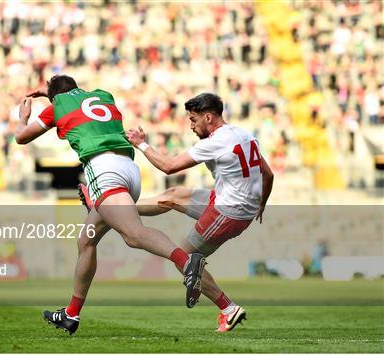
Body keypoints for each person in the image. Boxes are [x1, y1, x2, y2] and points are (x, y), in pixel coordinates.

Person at [15, 74, 205, 335]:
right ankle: (71, 315)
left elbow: (21, 138)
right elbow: (77, 102)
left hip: (103, 169)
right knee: (86, 241)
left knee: (134, 235)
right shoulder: (104, 95)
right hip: (129, 168)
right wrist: (54, 94)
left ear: (53, 96)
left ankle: (186, 262)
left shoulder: (56, 106)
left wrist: (24, 116)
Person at [78, 92, 274, 331]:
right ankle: (108, 206)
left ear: (209, 117)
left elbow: (168, 166)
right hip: (228, 201)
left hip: (228, 211)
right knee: (172, 196)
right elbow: (268, 173)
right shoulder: (244, 135)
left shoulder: (214, 142)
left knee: (183, 257)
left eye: (193, 120)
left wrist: (141, 143)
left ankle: (228, 308)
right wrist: (261, 203)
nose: (191, 126)